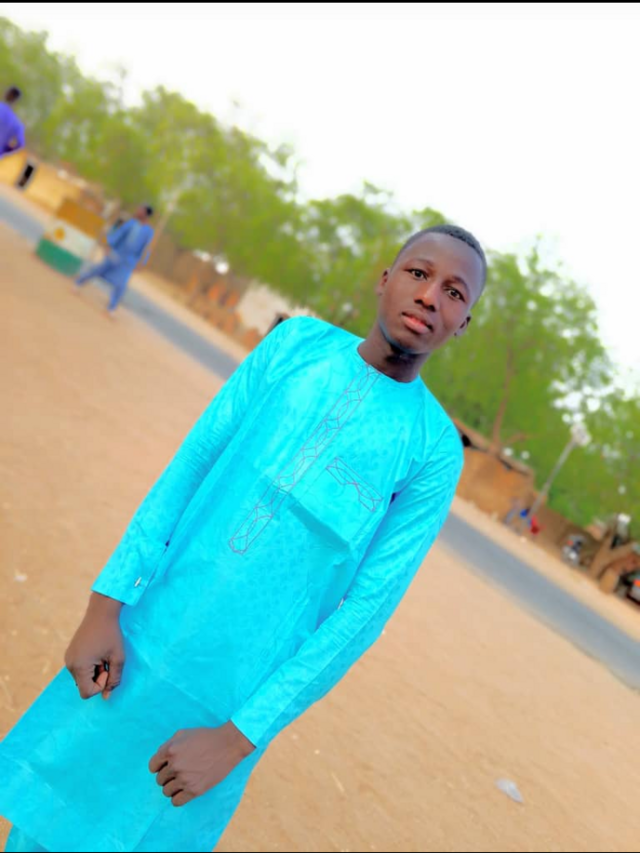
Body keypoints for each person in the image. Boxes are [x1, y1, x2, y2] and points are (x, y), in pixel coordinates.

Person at [0, 224, 486, 853]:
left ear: (462, 323)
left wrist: (236, 739)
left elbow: (365, 611)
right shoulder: (295, 346)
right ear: (385, 278)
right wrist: (104, 606)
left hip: (229, 703)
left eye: (454, 292)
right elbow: (192, 467)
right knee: (49, 819)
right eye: (419, 273)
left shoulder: (433, 450)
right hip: (139, 644)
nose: (429, 296)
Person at [75, 205, 155, 314]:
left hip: (129, 261)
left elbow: (146, 248)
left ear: (146, 214)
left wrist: (142, 263)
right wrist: (109, 246)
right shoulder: (131, 223)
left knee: (121, 285)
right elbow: (119, 234)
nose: (137, 211)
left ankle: (111, 308)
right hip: (117, 253)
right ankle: (78, 283)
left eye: (140, 210)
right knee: (99, 270)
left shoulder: (149, 231)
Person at [0, 87, 25, 157]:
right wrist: (5, 150)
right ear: (16, 100)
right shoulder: (17, 123)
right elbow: (20, 144)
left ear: (7, 94)